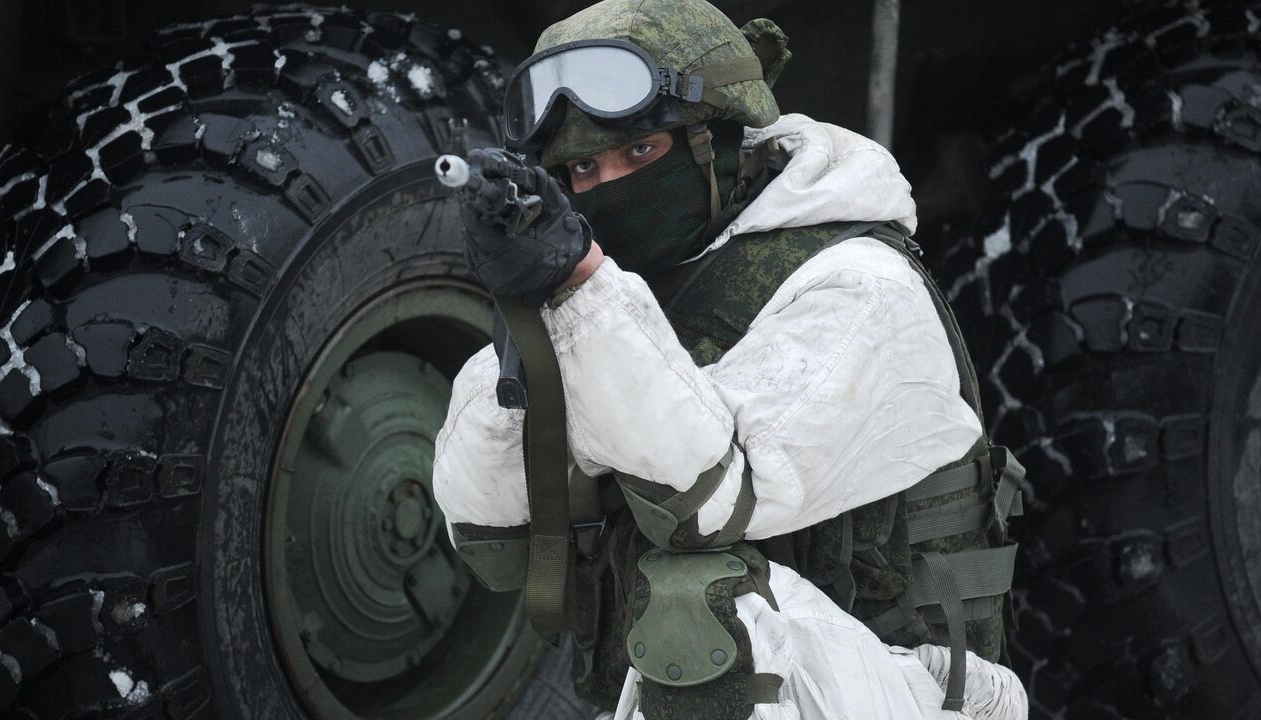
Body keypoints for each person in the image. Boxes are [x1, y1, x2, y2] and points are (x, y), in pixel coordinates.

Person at [432, 0, 1029, 718]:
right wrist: (529, 314)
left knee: (697, 607)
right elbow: (492, 538)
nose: (610, 184)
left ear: (717, 141)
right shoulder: (618, 295)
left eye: (640, 153)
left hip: (909, 687)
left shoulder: (859, 287)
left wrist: (582, 289)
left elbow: (708, 504)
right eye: (583, 168)